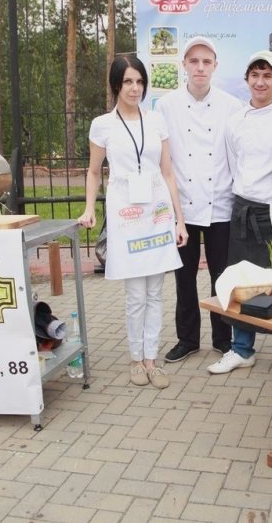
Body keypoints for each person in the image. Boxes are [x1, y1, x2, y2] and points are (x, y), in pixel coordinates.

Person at [78, 55, 188, 389]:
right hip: (126, 215)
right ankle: (136, 359)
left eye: (139, 81)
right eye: (127, 81)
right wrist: (88, 209)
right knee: (136, 295)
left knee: (155, 292)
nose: (134, 88)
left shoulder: (156, 121)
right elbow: (95, 171)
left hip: (156, 213)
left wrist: (179, 221)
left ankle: (152, 360)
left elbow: (168, 172)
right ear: (116, 85)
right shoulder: (103, 125)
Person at [208, 51, 272, 377]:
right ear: (247, 80)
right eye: (255, 75)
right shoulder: (235, 122)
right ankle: (242, 348)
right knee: (241, 282)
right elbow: (233, 166)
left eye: (267, 75)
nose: (260, 81)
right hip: (243, 210)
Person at [156, 37, 243, 363]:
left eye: (207, 62)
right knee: (184, 277)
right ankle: (187, 339)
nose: (200, 67)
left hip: (221, 204)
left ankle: (223, 337)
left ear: (215, 66)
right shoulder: (166, 106)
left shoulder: (231, 106)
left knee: (221, 276)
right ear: (184, 66)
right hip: (183, 207)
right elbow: (165, 160)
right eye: (194, 61)